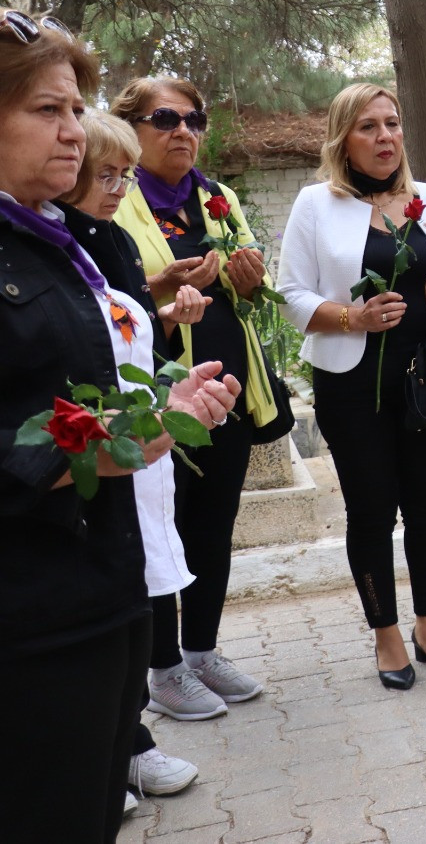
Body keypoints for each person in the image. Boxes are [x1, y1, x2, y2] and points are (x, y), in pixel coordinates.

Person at [0, 10, 239, 841]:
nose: (74, 132)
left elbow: (97, 396)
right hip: (33, 624)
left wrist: (167, 414)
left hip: (104, 592)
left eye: (76, 109)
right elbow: (29, 446)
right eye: (47, 110)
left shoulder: (56, 241)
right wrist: (120, 439)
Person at [279, 83, 426, 689]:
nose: (385, 136)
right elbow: (291, 294)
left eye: (392, 123)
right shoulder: (316, 203)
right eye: (368, 126)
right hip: (351, 382)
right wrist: (351, 317)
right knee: (370, 510)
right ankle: (386, 635)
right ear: (344, 139)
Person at [112, 76, 273, 716]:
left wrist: (251, 280)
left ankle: (201, 651)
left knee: (213, 523)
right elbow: (102, 302)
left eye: (194, 119)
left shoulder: (216, 197)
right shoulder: (113, 199)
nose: (183, 130)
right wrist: (159, 288)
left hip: (225, 388)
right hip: (155, 393)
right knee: (161, 530)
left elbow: (254, 293)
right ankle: (162, 669)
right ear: (130, 128)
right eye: (165, 118)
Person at [60, 110, 209, 804]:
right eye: (105, 176)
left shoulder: (113, 240)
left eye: (125, 176)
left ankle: (129, 739)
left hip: (136, 441)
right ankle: (106, 753)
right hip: (86, 452)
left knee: (144, 586)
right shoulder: (55, 244)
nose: (118, 190)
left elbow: (130, 331)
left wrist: (167, 328)